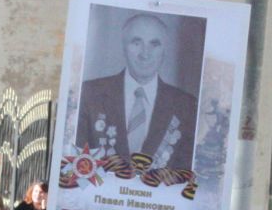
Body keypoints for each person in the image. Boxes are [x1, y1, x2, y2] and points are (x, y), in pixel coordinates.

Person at [73, 12, 201, 172]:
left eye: (155, 44)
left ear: (165, 50)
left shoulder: (186, 106)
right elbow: (73, 162)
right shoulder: (89, 94)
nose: (145, 54)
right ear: (123, 46)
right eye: (136, 43)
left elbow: (186, 173)